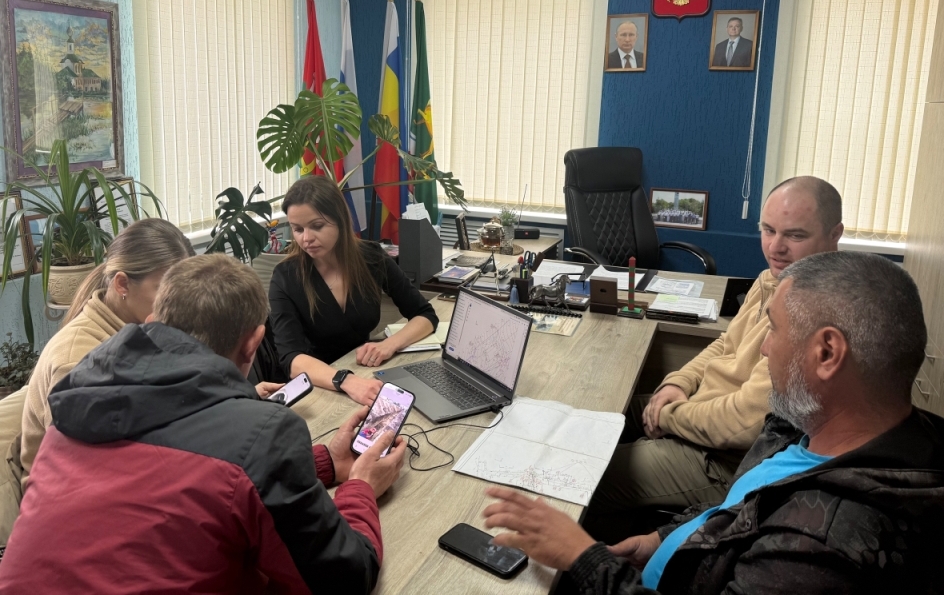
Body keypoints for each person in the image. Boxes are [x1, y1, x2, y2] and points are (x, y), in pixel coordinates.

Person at [483, 251, 944, 593]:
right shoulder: (809, 430)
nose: (765, 348)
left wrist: (584, 559)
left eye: (775, 330)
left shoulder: (819, 546)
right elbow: (737, 508)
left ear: (826, 353)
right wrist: (662, 540)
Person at [0, 254, 408, 593]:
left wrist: (321, 463)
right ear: (254, 342)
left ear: (154, 320)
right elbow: (344, 579)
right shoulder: (265, 431)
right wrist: (360, 487)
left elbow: (182, 474)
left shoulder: (80, 391)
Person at [584, 177, 844, 541]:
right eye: (768, 230)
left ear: (834, 235)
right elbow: (725, 344)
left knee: (586, 474)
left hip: (722, 460)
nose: (776, 247)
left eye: (795, 235)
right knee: (598, 415)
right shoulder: (773, 279)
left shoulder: (814, 315)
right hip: (698, 412)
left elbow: (742, 425)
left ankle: (600, 559)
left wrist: (668, 416)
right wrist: (678, 384)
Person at [18, 218, 199, 488]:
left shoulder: (144, 329)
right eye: (164, 290)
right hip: (70, 496)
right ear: (122, 284)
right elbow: (79, 470)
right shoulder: (76, 359)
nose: (178, 304)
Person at [270, 175, 439, 406]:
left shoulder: (371, 258)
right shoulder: (285, 276)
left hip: (362, 374)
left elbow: (425, 315)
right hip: (316, 390)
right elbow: (291, 359)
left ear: (340, 220)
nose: (306, 238)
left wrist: (389, 345)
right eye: (297, 229)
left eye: (317, 226)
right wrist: (346, 381)